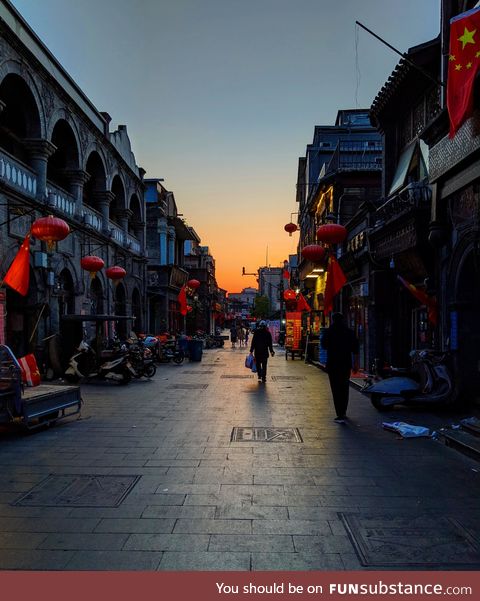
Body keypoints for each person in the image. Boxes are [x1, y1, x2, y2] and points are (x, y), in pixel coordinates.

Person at [321, 312, 359, 423]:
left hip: (333, 364)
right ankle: (344, 411)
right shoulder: (349, 332)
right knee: (344, 387)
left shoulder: (329, 332)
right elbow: (355, 348)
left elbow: (323, 345)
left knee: (335, 388)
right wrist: (356, 364)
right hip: (345, 364)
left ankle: (339, 413)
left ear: (333, 320)